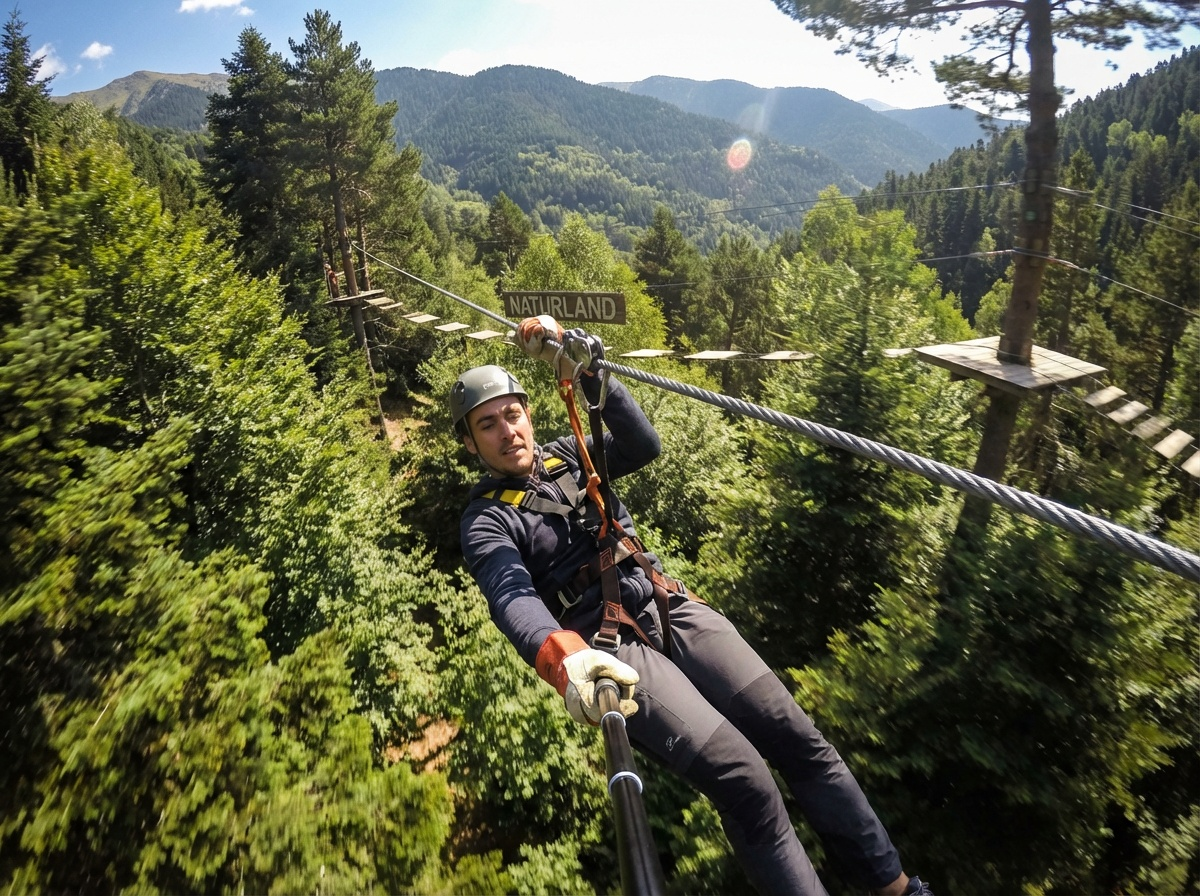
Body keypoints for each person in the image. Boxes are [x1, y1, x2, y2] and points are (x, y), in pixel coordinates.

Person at [453, 314, 934, 896]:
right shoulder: (486, 521)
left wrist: (587, 372)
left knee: (797, 737)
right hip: (613, 648)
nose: (507, 431)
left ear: (529, 415)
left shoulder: (569, 454)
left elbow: (642, 444)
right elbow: (513, 596)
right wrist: (565, 658)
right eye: (488, 425)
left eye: (513, 414)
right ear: (471, 443)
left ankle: (896, 888)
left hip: (668, 602)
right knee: (746, 781)